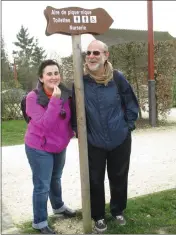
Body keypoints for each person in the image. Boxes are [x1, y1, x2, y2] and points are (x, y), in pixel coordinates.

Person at [71, 40, 139, 233]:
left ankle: (118, 210)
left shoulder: (117, 78)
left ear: (106, 55)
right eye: (88, 53)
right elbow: (75, 109)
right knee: (94, 179)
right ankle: (99, 216)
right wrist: (78, 131)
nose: (91, 56)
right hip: (93, 141)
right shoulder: (81, 81)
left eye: (96, 53)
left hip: (120, 138)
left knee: (118, 176)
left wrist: (128, 126)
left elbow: (131, 103)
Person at [25, 59, 76, 234]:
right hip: (39, 147)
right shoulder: (33, 98)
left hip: (59, 145)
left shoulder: (66, 93)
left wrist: (71, 133)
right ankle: (39, 222)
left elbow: (70, 117)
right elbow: (45, 124)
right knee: (42, 185)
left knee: (56, 178)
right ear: (41, 78)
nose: (53, 77)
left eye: (56, 73)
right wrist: (54, 100)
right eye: (49, 74)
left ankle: (58, 207)